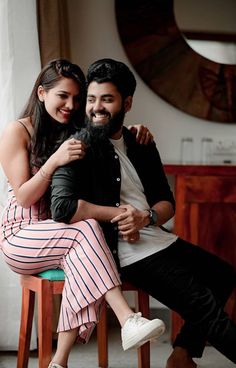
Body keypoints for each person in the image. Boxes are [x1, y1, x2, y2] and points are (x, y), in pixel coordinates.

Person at [50, 58, 236, 368]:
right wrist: (121, 215)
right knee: (204, 308)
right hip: (125, 252)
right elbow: (63, 208)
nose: (97, 107)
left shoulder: (140, 142)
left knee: (224, 275)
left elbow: (166, 202)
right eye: (92, 99)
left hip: (156, 238)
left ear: (127, 103)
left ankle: (181, 354)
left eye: (107, 99)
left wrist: (145, 217)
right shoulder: (78, 146)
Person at [0, 59, 166, 368]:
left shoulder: (75, 131)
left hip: (62, 235)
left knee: (82, 255)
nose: (71, 104)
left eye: (77, 97)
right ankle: (127, 317)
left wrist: (132, 130)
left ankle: (58, 363)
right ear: (41, 93)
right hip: (21, 235)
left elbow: (109, 133)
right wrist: (53, 162)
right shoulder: (18, 131)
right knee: (86, 230)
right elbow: (23, 197)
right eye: (62, 95)